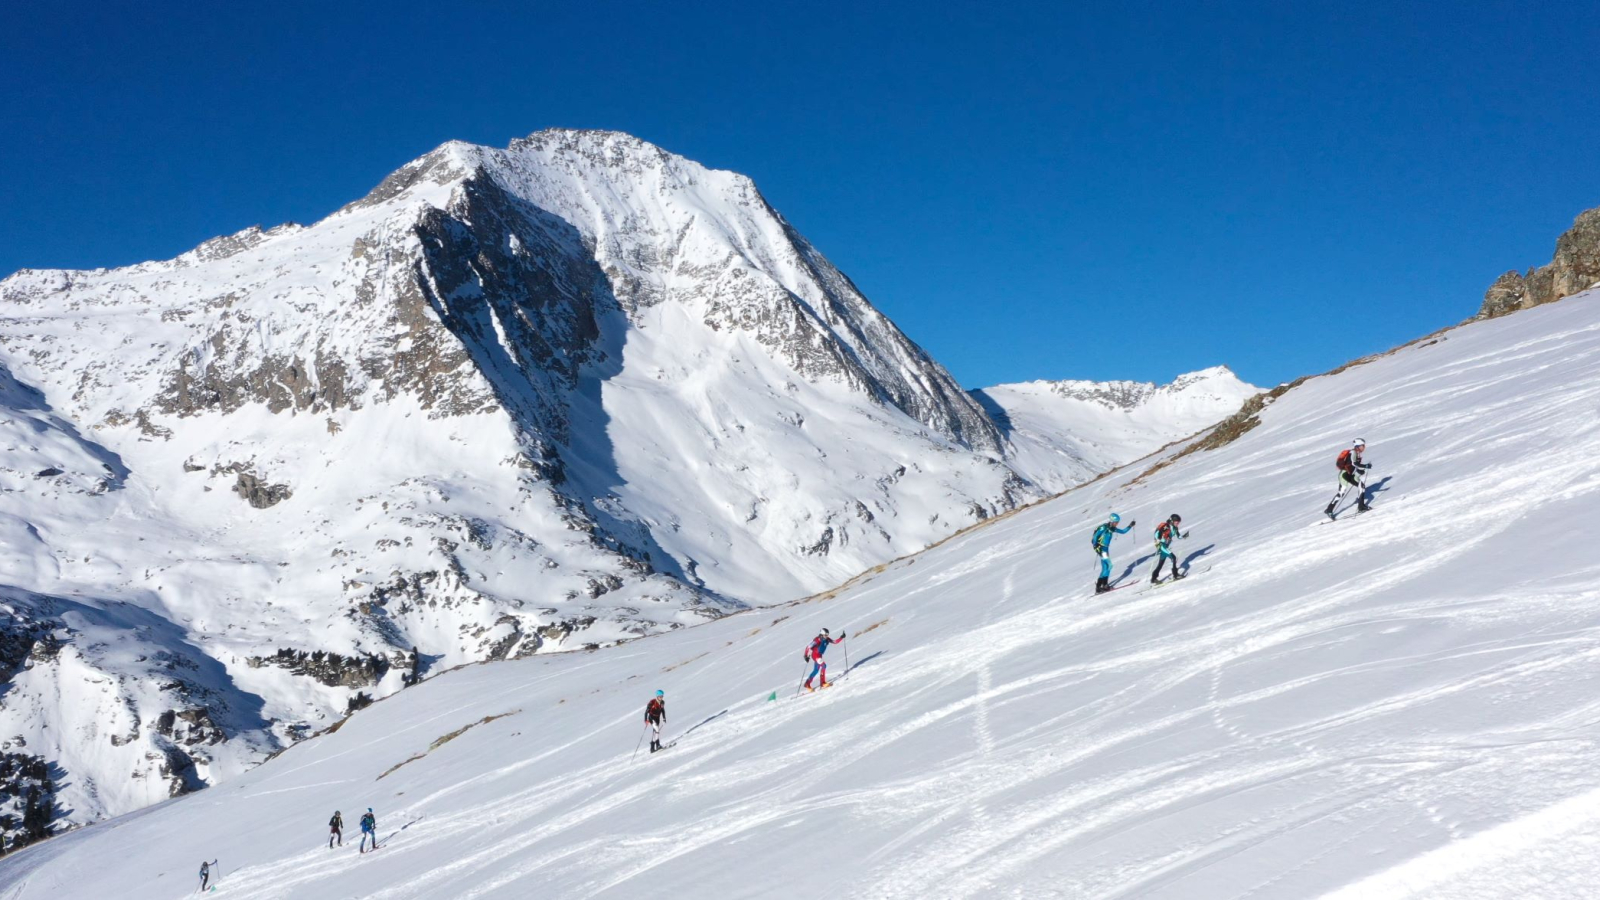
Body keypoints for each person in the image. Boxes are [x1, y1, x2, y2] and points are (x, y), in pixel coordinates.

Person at [1325, 438, 1373, 517]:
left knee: (1362, 486)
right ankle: (1329, 510)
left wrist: (1360, 471)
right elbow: (1354, 464)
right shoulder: (1353, 452)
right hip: (1344, 475)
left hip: (1350, 474)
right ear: (1357, 446)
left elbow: (1353, 466)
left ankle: (1361, 507)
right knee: (1341, 493)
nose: (1364, 447)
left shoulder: (1357, 453)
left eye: (1363, 446)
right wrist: (1365, 466)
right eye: (1362, 446)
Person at [1092, 513, 1135, 593]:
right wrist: (1096, 547)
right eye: (1116, 522)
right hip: (1102, 550)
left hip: (1106, 549)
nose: (1117, 524)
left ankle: (1101, 586)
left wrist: (1130, 525)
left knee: (1105, 568)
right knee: (1110, 565)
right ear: (1111, 521)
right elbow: (1094, 538)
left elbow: (1123, 531)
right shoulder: (1103, 528)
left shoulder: (1112, 528)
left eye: (1117, 522)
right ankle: (1103, 585)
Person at [1150, 514, 1188, 583]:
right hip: (1161, 545)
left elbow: (1178, 536)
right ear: (1172, 521)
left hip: (1165, 546)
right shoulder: (1165, 526)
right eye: (1176, 522)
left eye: (1178, 523)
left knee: (1160, 564)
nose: (1177, 524)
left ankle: (1153, 578)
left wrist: (1184, 536)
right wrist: (1158, 539)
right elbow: (1157, 533)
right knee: (1173, 557)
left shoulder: (1175, 528)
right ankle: (1175, 575)